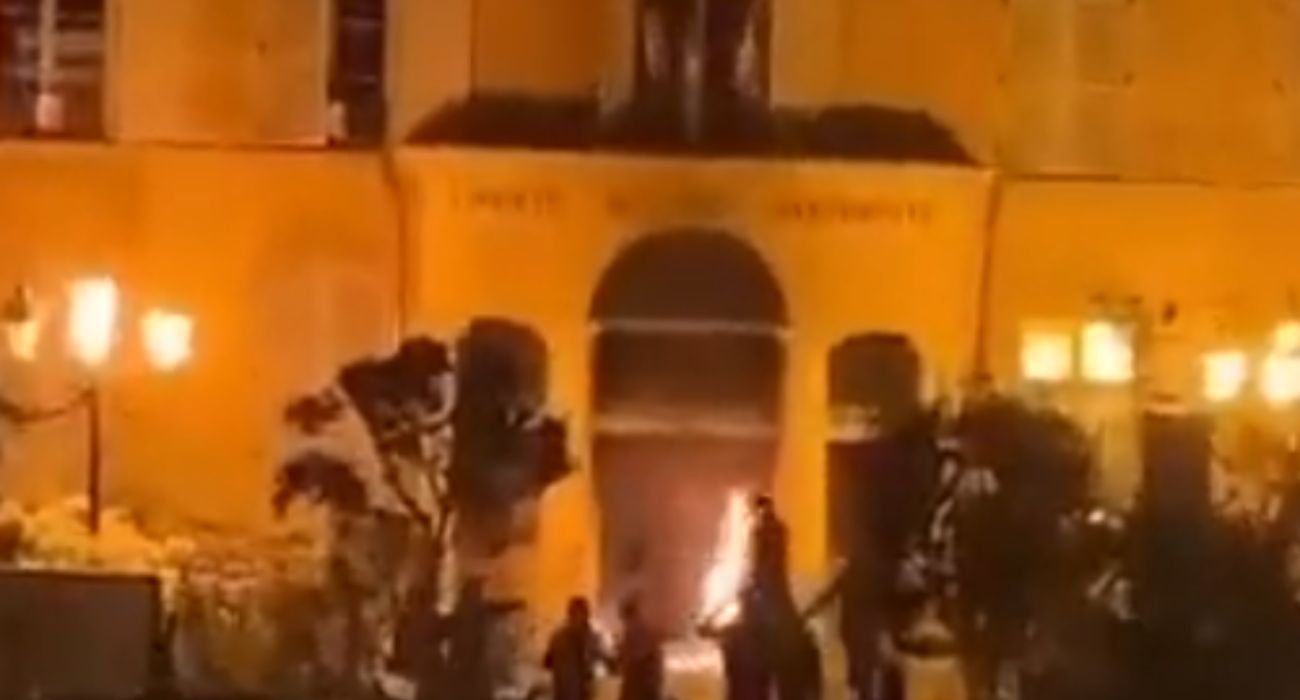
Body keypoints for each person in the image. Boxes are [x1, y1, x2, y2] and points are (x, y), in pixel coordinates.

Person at [544, 597, 610, 700]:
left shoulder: (557, 636)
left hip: (565, 691)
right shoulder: (589, 636)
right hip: (576, 691)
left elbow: (547, 662)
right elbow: (601, 657)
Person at [616, 597, 664, 700]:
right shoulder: (643, 628)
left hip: (641, 682)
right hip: (647, 682)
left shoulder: (635, 630)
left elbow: (636, 656)